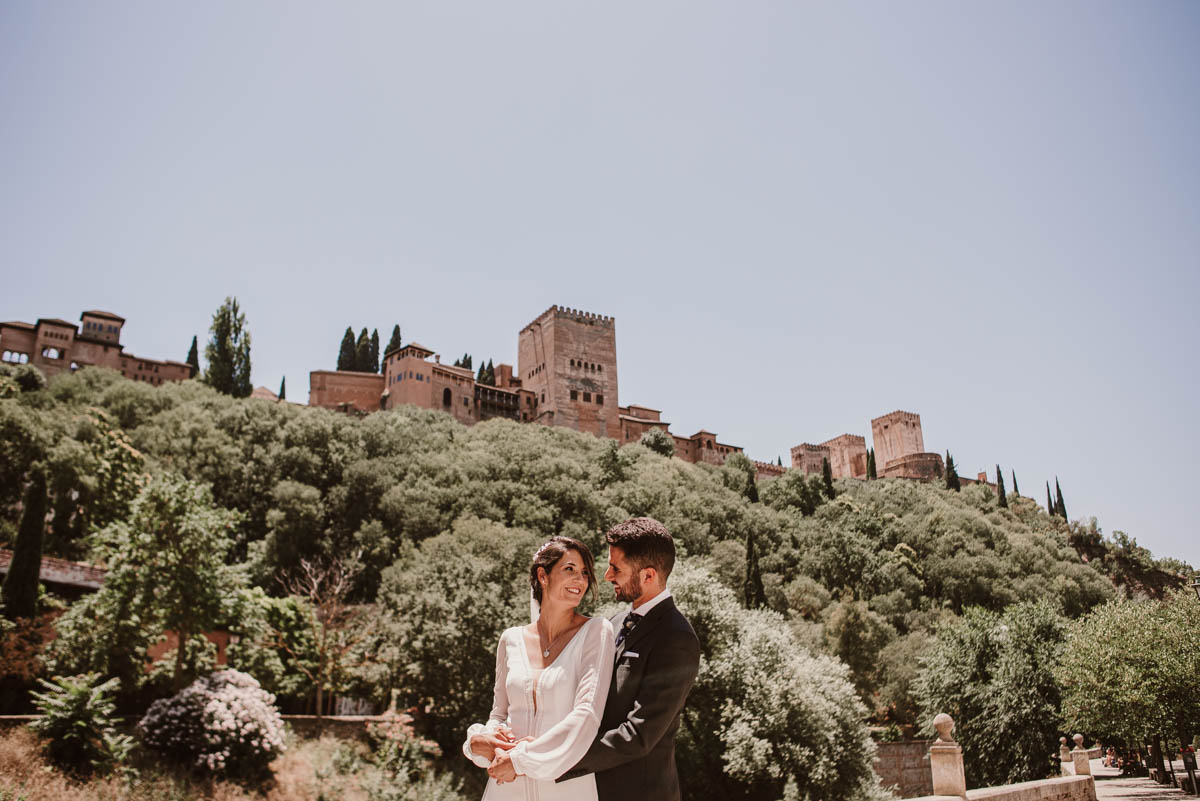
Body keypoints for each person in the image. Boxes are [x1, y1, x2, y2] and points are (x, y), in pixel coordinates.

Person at [557, 517, 701, 801]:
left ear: (648, 576)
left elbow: (638, 735)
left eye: (616, 568)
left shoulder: (677, 638)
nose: (608, 576)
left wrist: (561, 760)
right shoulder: (615, 621)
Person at [463, 536, 615, 801]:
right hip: (505, 788)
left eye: (585, 573)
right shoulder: (510, 639)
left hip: (565, 787)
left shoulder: (596, 631)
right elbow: (499, 713)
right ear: (543, 576)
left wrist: (520, 761)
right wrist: (483, 741)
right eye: (569, 569)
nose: (580, 580)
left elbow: (587, 715)